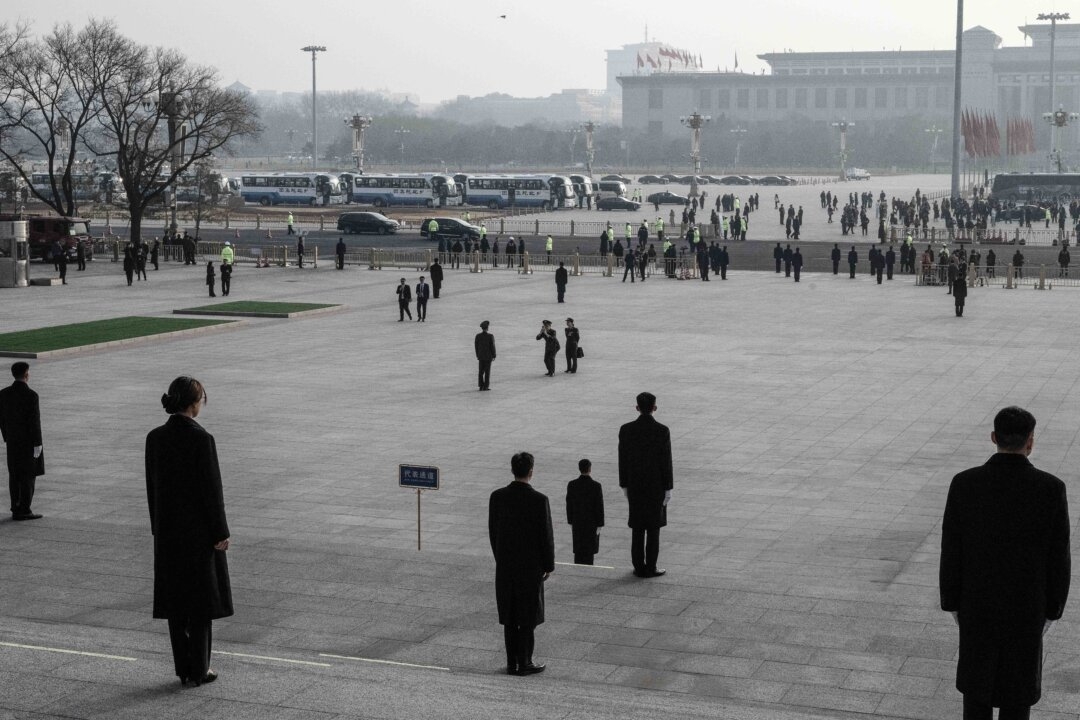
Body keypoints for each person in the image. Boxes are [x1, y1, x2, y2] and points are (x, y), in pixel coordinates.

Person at [939, 406, 1070, 720]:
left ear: (994, 437)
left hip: (977, 604)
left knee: (976, 694)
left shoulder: (965, 483)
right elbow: (1058, 557)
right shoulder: (1050, 489)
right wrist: (1053, 609)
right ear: (1030, 441)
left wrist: (952, 602)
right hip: (1026, 607)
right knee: (1017, 696)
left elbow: (952, 549)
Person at [146, 376, 233, 687]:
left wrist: (158, 527)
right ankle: (200, 668)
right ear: (195, 403)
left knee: (176, 603)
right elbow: (212, 491)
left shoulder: (155, 438)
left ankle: (183, 668)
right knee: (200, 603)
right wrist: (220, 531)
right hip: (197, 535)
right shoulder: (201, 439)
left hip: (168, 533)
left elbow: (153, 488)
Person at [488, 452, 554, 676]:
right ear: (531, 472)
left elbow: (493, 532)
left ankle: (511, 662)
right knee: (527, 616)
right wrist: (548, 565)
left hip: (506, 567)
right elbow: (546, 536)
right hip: (530, 568)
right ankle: (525, 661)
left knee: (509, 616)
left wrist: (500, 557)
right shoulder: (539, 500)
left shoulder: (497, 497)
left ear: (512, 470)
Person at [618, 392, 673, 579]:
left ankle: (638, 566)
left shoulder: (626, 430)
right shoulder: (662, 430)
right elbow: (666, 462)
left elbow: (623, 460)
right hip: (655, 486)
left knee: (638, 528)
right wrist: (668, 487)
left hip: (635, 486)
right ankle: (651, 566)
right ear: (654, 408)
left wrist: (624, 484)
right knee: (653, 528)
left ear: (637, 408)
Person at [0, 362, 44, 520]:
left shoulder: (3, 394)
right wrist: (37, 443)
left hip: (13, 442)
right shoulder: (31, 395)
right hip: (27, 443)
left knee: (14, 475)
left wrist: (7, 436)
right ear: (26, 374)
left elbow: (2, 419)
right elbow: (34, 422)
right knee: (28, 476)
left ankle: (16, 507)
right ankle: (25, 509)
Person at [566, 459, 604, 565]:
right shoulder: (596, 486)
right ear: (590, 469)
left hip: (577, 522)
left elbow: (569, 504)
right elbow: (599, 506)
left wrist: (570, 520)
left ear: (579, 468)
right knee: (589, 551)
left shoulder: (572, 484)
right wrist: (600, 524)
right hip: (591, 523)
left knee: (578, 550)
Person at [475, 320, 495, 391]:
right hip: (488, 357)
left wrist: (478, 355)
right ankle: (486, 386)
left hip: (481, 357)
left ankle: (481, 386)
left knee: (480, 372)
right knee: (487, 372)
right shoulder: (490, 336)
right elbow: (492, 347)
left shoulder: (478, 336)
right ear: (487, 328)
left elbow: (476, 347)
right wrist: (494, 355)